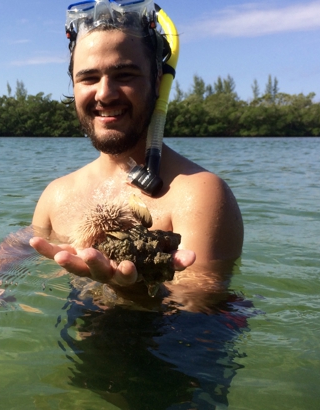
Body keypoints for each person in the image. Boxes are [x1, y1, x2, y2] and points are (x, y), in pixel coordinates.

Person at [30, 0, 243, 301]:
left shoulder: (199, 194)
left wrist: (131, 291)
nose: (104, 93)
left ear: (157, 82)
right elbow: (18, 248)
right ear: (74, 86)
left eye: (125, 75)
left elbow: (197, 318)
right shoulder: (57, 194)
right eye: (89, 78)